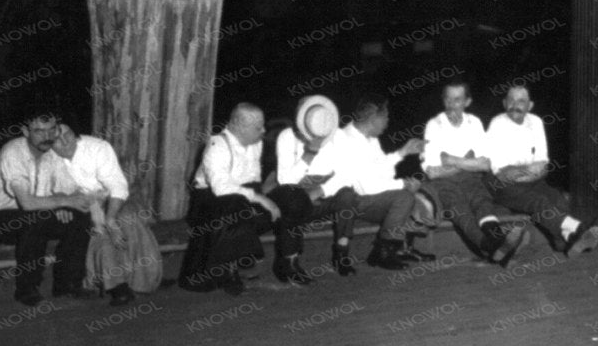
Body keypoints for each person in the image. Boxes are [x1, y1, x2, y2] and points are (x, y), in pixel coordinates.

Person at [180, 103, 310, 293]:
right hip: (210, 205)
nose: (264, 130)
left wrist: (269, 196)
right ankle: (231, 269)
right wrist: (260, 199)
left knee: (291, 197)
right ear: (239, 126)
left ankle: (287, 262)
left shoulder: (255, 143)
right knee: (235, 202)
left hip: (244, 198)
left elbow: (255, 181)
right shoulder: (217, 145)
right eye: (258, 127)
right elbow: (221, 188)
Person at [0, 106, 98, 306]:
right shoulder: (13, 151)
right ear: (25, 132)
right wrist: (62, 202)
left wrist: (61, 201)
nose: (47, 137)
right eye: (39, 131)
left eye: (51, 130)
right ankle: (26, 290)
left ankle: (68, 285)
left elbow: (72, 191)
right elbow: (27, 202)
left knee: (80, 217)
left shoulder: (53, 153)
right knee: (35, 219)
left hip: (38, 213)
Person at [484, 85, 598, 258]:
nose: (515, 105)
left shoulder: (536, 122)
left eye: (521, 101)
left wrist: (532, 173)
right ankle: (580, 230)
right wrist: (529, 170)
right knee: (539, 201)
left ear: (530, 105)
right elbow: (504, 173)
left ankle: (564, 243)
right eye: (510, 100)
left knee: (557, 198)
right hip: (501, 184)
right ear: (504, 103)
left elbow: (543, 164)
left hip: (530, 181)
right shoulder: (497, 124)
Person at [419, 80, 529, 266]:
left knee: (482, 202)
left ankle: (499, 244)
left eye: (458, 100)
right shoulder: (434, 125)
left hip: (471, 179)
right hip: (444, 183)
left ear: (467, 102)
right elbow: (433, 172)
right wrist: (469, 160)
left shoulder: (475, 123)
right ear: (443, 100)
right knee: (460, 210)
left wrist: (453, 160)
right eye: (448, 99)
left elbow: (485, 165)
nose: (452, 105)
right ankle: (495, 246)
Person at [309, 95, 424, 270]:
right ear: (373, 119)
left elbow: (384, 173)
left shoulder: (371, 139)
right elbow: (366, 187)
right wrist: (403, 185)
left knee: (418, 191)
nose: (388, 120)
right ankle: (383, 252)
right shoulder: (346, 140)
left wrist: (402, 153)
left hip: (367, 197)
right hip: (352, 200)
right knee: (405, 197)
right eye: (385, 116)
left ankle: (402, 248)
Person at [51, 125, 160, 306]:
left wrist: (110, 219)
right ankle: (117, 286)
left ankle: (141, 281)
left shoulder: (98, 147)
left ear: (76, 135)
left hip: (113, 197)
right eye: (56, 139)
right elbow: (48, 189)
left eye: (68, 134)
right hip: (79, 204)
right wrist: (60, 203)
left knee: (127, 218)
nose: (64, 142)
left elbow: (118, 186)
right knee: (97, 232)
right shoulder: (48, 157)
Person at [269, 94, 364, 277]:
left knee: (347, 196)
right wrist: (309, 154)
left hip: (327, 194)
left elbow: (348, 174)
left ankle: (341, 253)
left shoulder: (338, 136)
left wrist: (321, 190)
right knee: (291, 201)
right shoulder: (287, 137)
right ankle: (289, 261)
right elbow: (285, 181)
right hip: (297, 194)